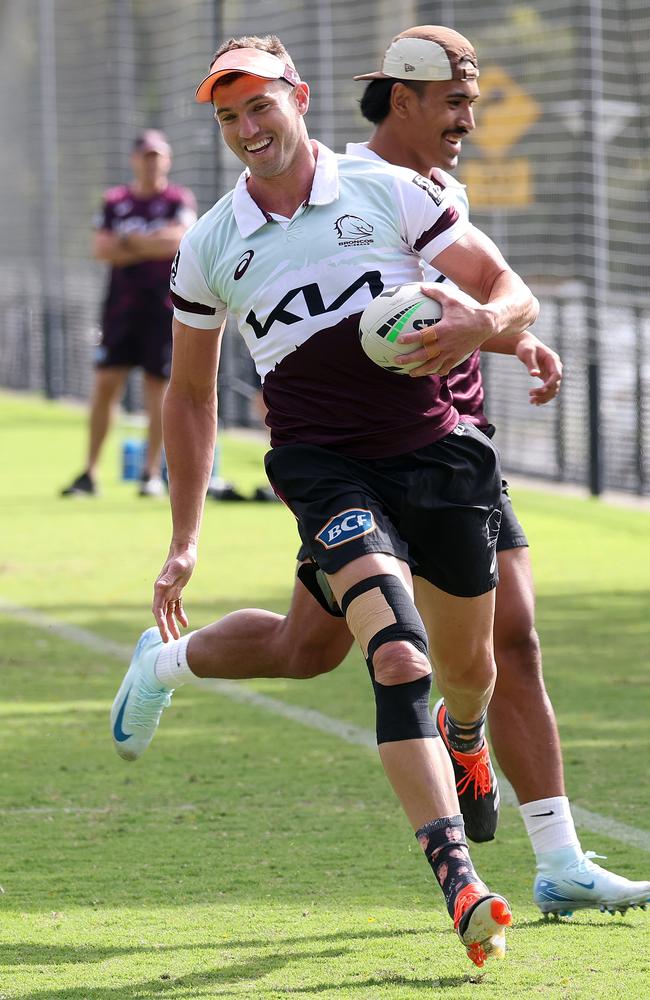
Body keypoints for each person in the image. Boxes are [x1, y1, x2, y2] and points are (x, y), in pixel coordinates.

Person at [109, 28, 650, 924]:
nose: (248, 127)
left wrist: (495, 329)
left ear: (300, 98)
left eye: (261, 105)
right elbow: (191, 395)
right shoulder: (209, 245)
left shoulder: (390, 192)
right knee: (399, 655)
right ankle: (468, 879)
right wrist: (184, 537)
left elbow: (505, 286)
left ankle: (167, 662)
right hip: (325, 472)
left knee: (362, 655)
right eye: (230, 114)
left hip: (440, 456)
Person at [61, 130, 197, 498]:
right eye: (145, 155)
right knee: (106, 385)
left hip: (162, 309)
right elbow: (101, 248)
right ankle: (89, 472)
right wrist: (148, 244)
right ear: (135, 159)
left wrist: (128, 243)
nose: (151, 162)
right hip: (119, 311)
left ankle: (150, 474)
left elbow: (179, 239)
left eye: (158, 155)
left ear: (166, 160)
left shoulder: (177, 200)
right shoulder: (115, 201)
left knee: (158, 390)